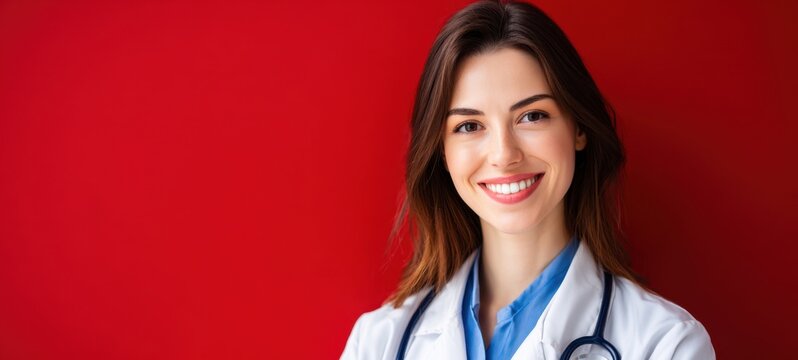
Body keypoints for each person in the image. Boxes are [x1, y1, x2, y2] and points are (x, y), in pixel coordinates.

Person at [341, 1, 715, 359]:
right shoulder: (378, 343)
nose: (504, 155)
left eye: (532, 116)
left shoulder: (666, 345)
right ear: (442, 151)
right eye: (469, 126)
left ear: (579, 129)